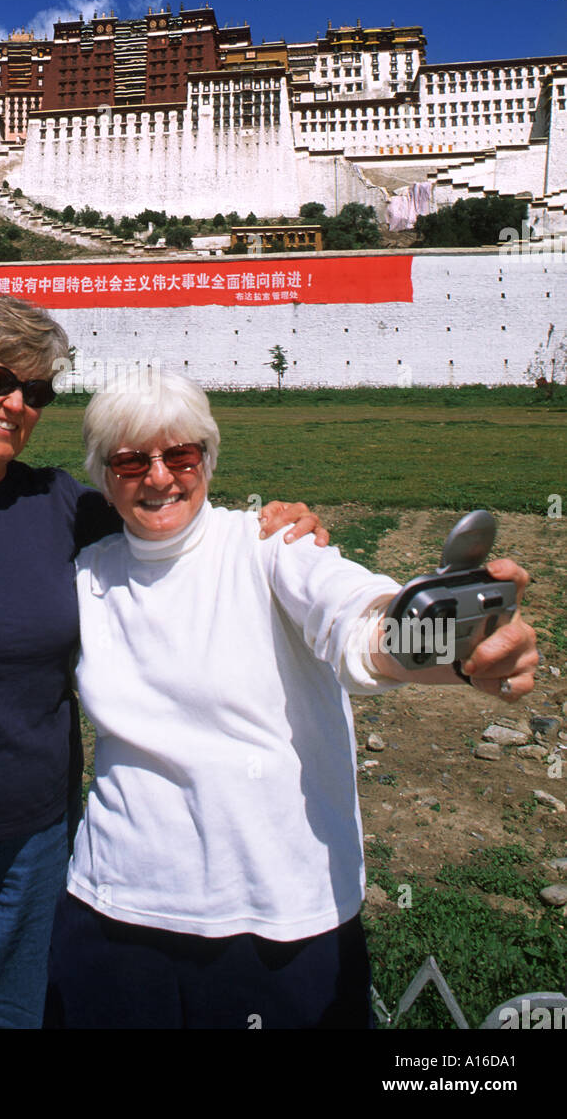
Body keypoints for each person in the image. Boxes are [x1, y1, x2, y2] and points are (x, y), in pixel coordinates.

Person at [0, 295, 327, 1029]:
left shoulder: (60, 506)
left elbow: (168, 512)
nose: (16, 404)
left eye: (36, 392)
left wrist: (275, 525)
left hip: (40, 849)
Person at [45, 371, 539, 1030]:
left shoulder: (271, 546)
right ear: (105, 476)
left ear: (208, 460)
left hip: (278, 920)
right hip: (115, 916)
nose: (159, 478)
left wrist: (454, 647)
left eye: (180, 456)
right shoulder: (87, 576)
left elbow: (356, 626)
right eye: (131, 461)